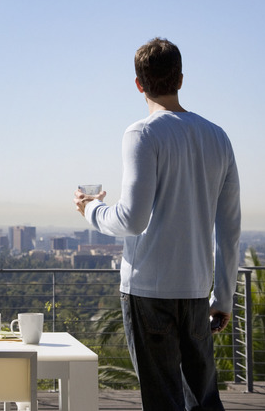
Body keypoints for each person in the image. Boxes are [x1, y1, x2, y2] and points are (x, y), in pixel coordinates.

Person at [74, 37, 241, 411]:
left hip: (148, 290)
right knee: (203, 399)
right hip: (197, 291)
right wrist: (224, 296)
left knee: (163, 400)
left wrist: (90, 211)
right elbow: (229, 227)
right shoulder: (219, 138)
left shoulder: (142, 134)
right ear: (180, 79)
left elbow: (133, 219)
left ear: (139, 84)